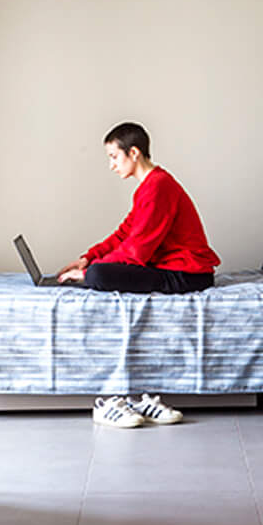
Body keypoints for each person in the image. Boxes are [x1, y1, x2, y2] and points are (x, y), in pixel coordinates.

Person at [56, 122, 220, 430]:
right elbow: (124, 233)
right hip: (171, 268)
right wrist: (88, 256)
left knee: (99, 276)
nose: (111, 165)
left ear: (134, 153)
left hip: (187, 275)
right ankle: (93, 270)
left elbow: (137, 252)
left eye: (114, 157)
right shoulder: (149, 186)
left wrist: (89, 272)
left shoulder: (159, 186)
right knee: (98, 270)